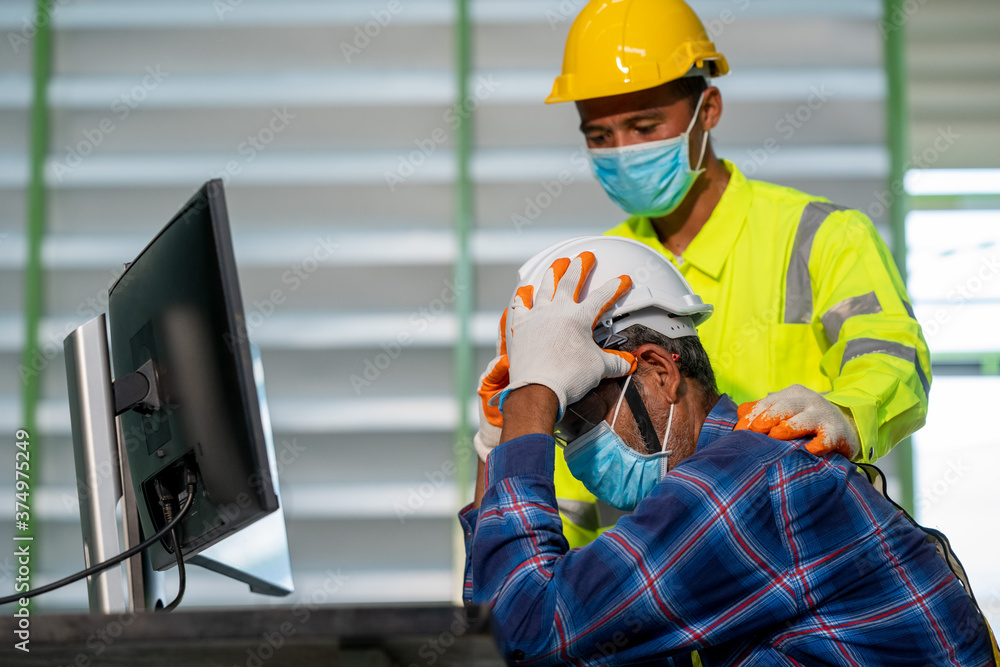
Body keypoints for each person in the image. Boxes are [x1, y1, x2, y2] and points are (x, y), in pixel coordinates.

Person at [475, 0, 933, 547]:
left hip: (803, 559)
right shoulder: (595, 274)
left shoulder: (820, 236)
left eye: (645, 126)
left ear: (708, 109)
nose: (623, 151)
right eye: (600, 137)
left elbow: (891, 358)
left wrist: (850, 414)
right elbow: (574, 470)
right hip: (656, 587)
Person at [462, 236, 998, 666]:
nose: (574, 451)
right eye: (560, 428)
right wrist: (497, 438)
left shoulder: (746, 483)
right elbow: (513, 629)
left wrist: (531, 398)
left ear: (659, 372)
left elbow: (524, 635)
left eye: (577, 415)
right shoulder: (712, 491)